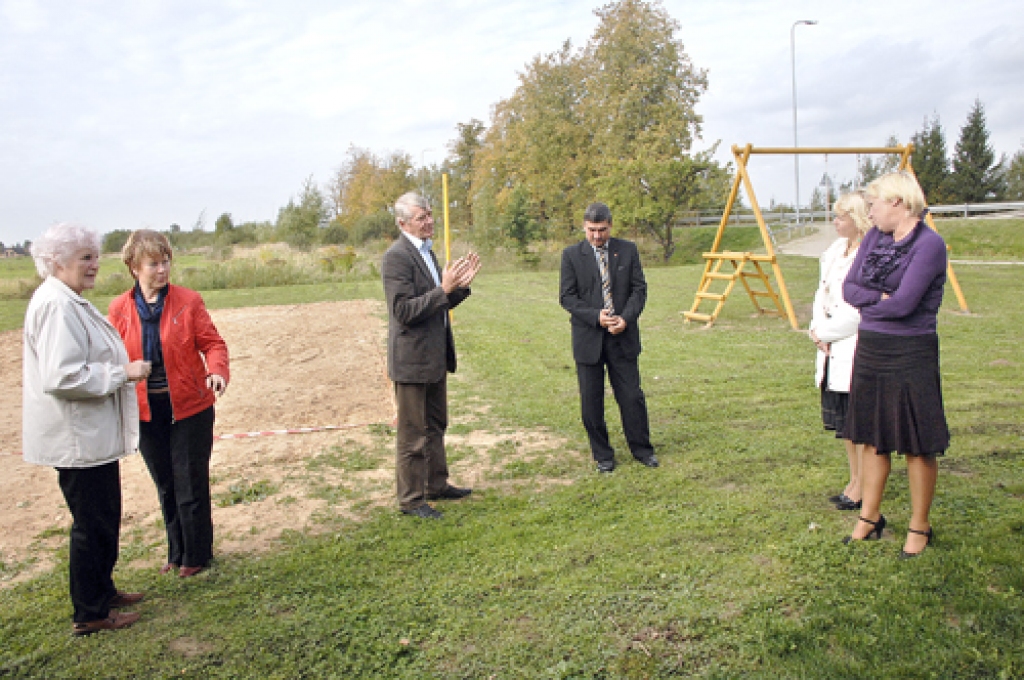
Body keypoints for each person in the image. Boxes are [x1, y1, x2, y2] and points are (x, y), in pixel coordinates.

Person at [23, 223, 150, 635]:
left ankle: (102, 590)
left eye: (94, 256)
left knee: (103, 517)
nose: (94, 265)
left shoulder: (69, 300)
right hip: (76, 439)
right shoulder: (57, 306)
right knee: (92, 523)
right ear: (57, 262)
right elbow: (62, 376)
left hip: (91, 438)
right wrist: (122, 373)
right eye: (85, 258)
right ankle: (90, 612)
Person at [108, 230, 230, 577]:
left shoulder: (189, 301)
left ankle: (197, 556)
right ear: (134, 268)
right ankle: (176, 552)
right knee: (166, 484)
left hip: (190, 406)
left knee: (190, 482)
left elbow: (213, 344)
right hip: (147, 410)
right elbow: (112, 355)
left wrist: (216, 371)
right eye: (153, 264)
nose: (162, 270)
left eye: (166, 262)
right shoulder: (119, 308)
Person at [842, 171, 950, 558]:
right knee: (872, 436)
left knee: (918, 443)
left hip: (911, 352)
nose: (869, 212)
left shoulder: (929, 245)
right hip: (871, 348)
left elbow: (905, 304)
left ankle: (920, 525)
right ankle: (870, 517)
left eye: (874, 204)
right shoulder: (874, 237)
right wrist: (881, 298)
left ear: (898, 204)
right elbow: (848, 288)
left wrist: (875, 302)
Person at [382, 192, 481, 519]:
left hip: (434, 357)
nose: (429, 221)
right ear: (402, 223)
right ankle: (411, 500)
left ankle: (436, 484)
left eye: (429, 215)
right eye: (421, 217)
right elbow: (404, 311)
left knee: (437, 424)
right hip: (411, 362)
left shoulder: (427, 252)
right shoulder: (397, 257)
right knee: (412, 435)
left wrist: (460, 289)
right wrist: (444, 290)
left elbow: (438, 303)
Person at [559, 202, 657, 473]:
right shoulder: (571, 256)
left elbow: (639, 290)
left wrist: (625, 318)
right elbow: (567, 297)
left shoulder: (628, 250)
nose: (597, 236)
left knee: (631, 397)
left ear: (610, 226)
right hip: (588, 340)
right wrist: (595, 317)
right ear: (584, 226)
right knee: (591, 401)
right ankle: (603, 455)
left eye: (602, 230)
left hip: (622, 337)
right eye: (592, 230)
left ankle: (642, 450)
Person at [809, 192, 870, 511]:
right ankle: (854, 478)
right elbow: (822, 294)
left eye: (842, 217)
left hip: (853, 345)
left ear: (858, 219)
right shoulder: (834, 252)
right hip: (830, 344)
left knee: (859, 424)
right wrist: (817, 329)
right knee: (846, 425)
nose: (836, 222)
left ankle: (864, 484)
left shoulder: (867, 254)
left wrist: (827, 332)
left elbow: (857, 308)